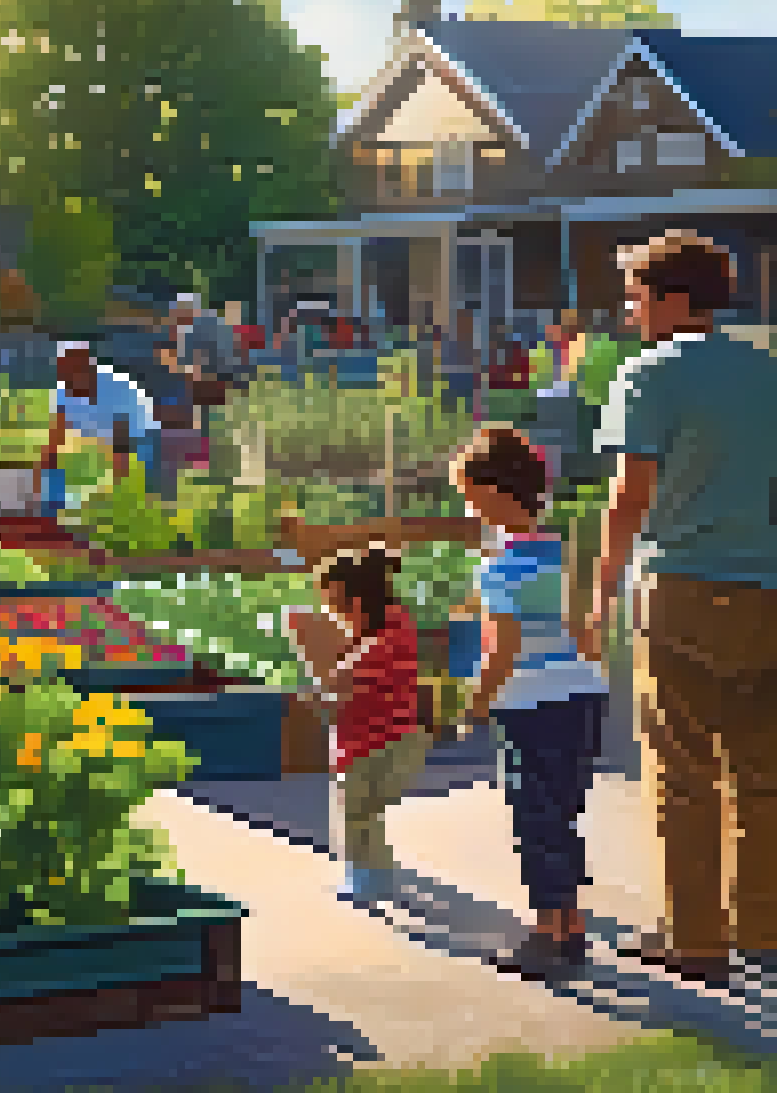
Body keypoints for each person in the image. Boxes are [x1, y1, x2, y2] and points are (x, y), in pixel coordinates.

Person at [580, 229, 777, 988]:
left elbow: (630, 495)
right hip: (768, 587)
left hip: (683, 587)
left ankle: (695, 939)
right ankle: (762, 925)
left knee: (682, 769)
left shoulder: (649, 375)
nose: (630, 315)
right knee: (763, 769)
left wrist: (601, 586)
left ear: (672, 299)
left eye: (635, 299)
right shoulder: (766, 374)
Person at [433, 426, 608, 979]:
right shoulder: (563, 551)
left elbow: (503, 647)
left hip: (531, 702)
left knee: (534, 815)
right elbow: (587, 630)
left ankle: (547, 932)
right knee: (563, 812)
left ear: (498, 493)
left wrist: (474, 706)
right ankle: (570, 923)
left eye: (472, 496)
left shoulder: (503, 563)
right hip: (580, 694)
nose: (470, 508)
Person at [285, 547, 430, 907]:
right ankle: (380, 874)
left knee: (353, 819)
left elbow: (340, 685)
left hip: (366, 746)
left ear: (360, 603)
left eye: (337, 605)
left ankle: (362, 881)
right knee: (368, 817)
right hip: (395, 741)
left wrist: (317, 691)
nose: (333, 614)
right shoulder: (397, 625)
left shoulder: (375, 648)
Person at [33, 341, 158, 514]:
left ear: (89, 366)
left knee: (134, 487)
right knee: (55, 476)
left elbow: (123, 446)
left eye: (74, 369)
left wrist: (105, 496)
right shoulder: (63, 392)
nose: (66, 377)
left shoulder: (116, 386)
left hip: (142, 439)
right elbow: (55, 440)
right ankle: (53, 512)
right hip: (102, 444)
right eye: (63, 371)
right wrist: (42, 475)